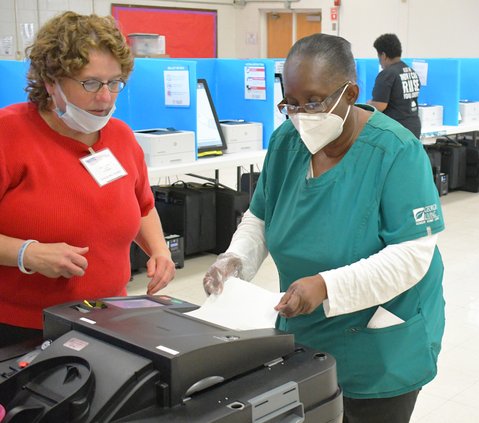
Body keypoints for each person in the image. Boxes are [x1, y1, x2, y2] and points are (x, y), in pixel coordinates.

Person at [203, 33, 445, 423]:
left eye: (314, 102)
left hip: (380, 339)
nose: (302, 115)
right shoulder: (287, 141)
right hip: (308, 328)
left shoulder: (396, 151)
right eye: (292, 103)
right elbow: (260, 216)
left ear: (350, 93)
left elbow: (411, 256)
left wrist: (328, 286)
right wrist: (237, 259)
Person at [0, 12, 176, 348]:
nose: (106, 97)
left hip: (108, 319)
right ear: (51, 82)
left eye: (115, 83)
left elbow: (142, 207)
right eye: (90, 83)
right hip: (21, 329)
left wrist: (159, 250)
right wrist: (27, 254)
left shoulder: (121, 138)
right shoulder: (8, 135)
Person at [368, 33, 422, 138]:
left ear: (383, 55)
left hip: (396, 130)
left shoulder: (387, 74)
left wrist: (368, 104)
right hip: (413, 126)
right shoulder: (411, 71)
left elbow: (380, 106)